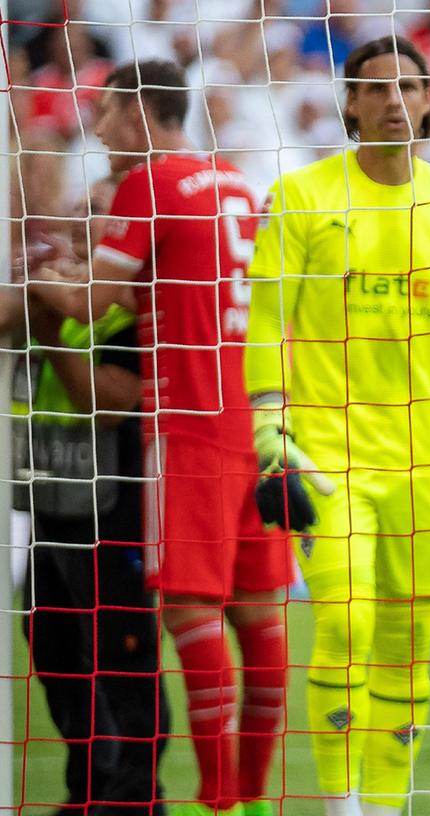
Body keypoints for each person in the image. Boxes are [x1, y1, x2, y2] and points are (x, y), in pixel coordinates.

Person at [242, 36, 430, 816]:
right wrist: (270, 426)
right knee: (343, 620)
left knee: (407, 651)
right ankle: (342, 805)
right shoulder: (300, 196)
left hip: (423, 459)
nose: (392, 101)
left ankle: (389, 804)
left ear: (428, 99)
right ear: (349, 104)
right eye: (374, 89)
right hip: (326, 449)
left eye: (405, 86)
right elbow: (265, 320)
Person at [28, 59, 289, 816]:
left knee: (189, 614)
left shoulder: (150, 182)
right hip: (254, 417)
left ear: (140, 114)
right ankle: (249, 793)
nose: (99, 132)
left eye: (105, 115)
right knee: (260, 617)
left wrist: (37, 277)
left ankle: (216, 800)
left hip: (187, 426)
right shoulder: (234, 181)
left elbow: (93, 300)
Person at [16, 179, 170, 816]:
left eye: (100, 215)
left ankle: (139, 799)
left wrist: (50, 321)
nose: (84, 224)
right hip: (52, 505)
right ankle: (89, 790)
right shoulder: (50, 293)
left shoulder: (138, 308)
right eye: (81, 212)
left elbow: (107, 402)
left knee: (124, 656)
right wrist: (41, 294)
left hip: (115, 513)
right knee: (51, 648)